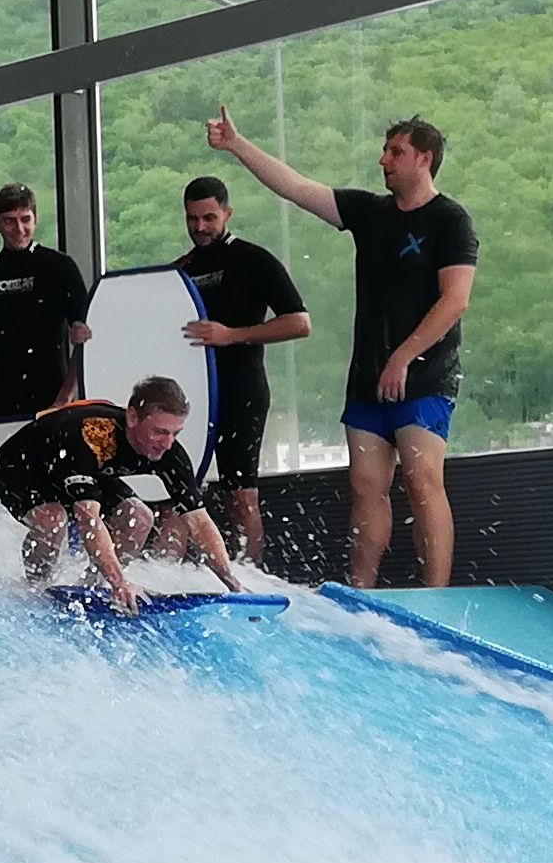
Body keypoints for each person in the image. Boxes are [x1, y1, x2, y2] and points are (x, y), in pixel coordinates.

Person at [199, 110, 476, 589]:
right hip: (368, 378)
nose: (383, 160)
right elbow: (297, 187)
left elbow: (456, 300)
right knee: (366, 488)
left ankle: (437, 594)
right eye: (385, 150)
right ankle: (362, 589)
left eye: (396, 152)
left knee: (421, 482)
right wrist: (238, 145)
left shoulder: (449, 220)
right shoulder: (371, 213)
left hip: (424, 376)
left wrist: (404, 356)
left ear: (424, 159)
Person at [0, 378, 242, 610]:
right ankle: (37, 591)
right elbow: (88, 520)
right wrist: (121, 582)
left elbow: (199, 520)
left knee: (140, 517)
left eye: (176, 433)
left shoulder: (170, 452)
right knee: (53, 520)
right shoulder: (92, 436)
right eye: (160, 432)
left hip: (82, 470)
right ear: (133, 418)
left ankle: (89, 587)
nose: (167, 443)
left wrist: (233, 584)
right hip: (19, 470)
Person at [164, 173, 312, 568]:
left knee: (240, 494)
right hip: (190, 399)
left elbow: (299, 322)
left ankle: (251, 573)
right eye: (193, 219)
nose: (200, 227)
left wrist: (232, 335)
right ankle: (166, 578)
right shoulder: (180, 270)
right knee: (175, 492)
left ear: (227, 213)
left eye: (209, 218)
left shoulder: (253, 259)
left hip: (241, 390)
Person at [0, 184, 89, 445]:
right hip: (1, 404)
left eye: (25, 220)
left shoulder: (60, 267)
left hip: (54, 398)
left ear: (35, 219)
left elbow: (85, 340)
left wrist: (64, 398)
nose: (19, 230)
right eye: (9, 221)